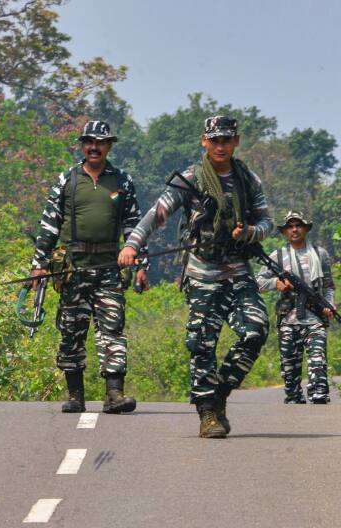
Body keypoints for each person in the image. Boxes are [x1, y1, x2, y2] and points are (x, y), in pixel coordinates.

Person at [118, 115, 273, 438]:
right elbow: (155, 215)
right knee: (203, 344)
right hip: (202, 272)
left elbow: (267, 223)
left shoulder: (247, 179)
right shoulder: (191, 179)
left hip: (238, 270)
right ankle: (207, 414)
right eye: (214, 140)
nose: (220, 146)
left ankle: (218, 394)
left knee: (255, 330)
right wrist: (133, 245)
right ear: (204, 141)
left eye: (226, 140)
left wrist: (250, 233)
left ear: (236, 142)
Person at [30, 120, 149, 415]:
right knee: (71, 331)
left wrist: (141, 263)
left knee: (112, 330)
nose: (94, 147)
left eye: (100, 142)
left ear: (109, 146)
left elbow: (135, 227)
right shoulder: (67, 181)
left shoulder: (122, 182)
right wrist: (38, 265)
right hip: (74, 269)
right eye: (88, 142)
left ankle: (114, 395)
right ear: (82, 145)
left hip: (110, 268)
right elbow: (48, 226)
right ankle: (76, 396)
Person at [256, 211, 336, 404]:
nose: (294, 229)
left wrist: (329, 305)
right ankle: (294, 400)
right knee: (290, 371)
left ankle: (319, 396)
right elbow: (258, 281)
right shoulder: (278, 256)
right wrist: (276, 283)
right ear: (284, 232)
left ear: (306, 229)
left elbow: (328, 287)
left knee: (318, 361)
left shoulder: (320, 254)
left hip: (314, 319)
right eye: (290, 226)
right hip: (288, 321)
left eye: (298, 225)